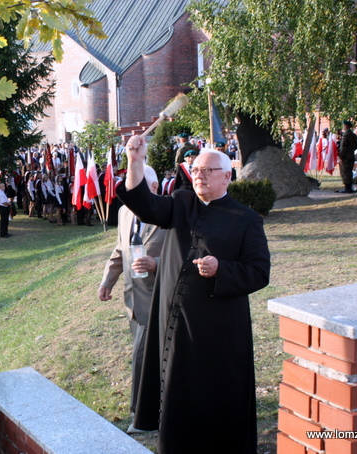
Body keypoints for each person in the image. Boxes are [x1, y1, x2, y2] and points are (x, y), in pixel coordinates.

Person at [119, 136, 271, 454]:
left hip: (219, 331)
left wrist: (221, 269)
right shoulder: (181, 203)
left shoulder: (246, 220)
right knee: (177, 399)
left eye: (208, 170)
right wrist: (135, 161)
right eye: (195, 169)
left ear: (227, 176)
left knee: (218, 402)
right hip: (176, 328)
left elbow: (259, 273)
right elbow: (143, 203)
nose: (199, 174)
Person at [98, 165, 165, 434]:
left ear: (154, 189)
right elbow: (119, 250)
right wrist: (107, 281)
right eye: (128, 189)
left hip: (160, 299)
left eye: (136, 189)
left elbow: (182, 254)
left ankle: (143, 417)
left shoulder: (168, 214)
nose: (131, 196)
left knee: (143, 358)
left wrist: (156, 264)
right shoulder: (125, 212)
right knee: (149, 358)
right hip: (133, 301)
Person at [336, 120, 357, 193]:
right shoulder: (353, 135)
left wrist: (341, 157)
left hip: (345, 157)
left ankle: (347, 188)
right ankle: (349, 187)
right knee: (349, 171)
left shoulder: (346, 135)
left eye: (344, 125)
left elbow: (343, 147)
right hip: (351, 156)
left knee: (345, 172)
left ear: (346, 126)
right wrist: (351, 150)